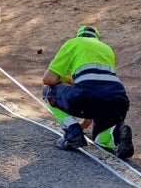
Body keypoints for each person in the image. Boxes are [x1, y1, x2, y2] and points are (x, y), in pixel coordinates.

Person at [41, 24, 134, 159]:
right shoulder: (107, 49)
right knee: (100, 140)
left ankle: (72, 134)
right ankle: (117, 133)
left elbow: (48, 79)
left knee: (48, 91)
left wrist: (68, 81)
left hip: (87, 97)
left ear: (79, 35)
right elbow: (98, 88)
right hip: (118, 102)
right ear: (96, 37)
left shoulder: (73, 43)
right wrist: (84, 125)